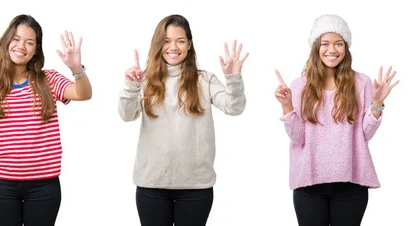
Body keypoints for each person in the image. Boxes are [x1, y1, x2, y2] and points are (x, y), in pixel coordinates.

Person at [118, 14, 248, 226]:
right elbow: (126, 115)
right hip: (152, 185)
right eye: (167, 41)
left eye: (180, 41)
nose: (173, 47)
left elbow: (234, 107)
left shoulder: (205, 80)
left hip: (196, 187)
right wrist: (130, 85)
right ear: (159, 45)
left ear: (189, 44)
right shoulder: (144, 80)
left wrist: (233, 79)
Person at [0, 14, 92, 226]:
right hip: (0, 185)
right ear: (6, 42)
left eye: (29, 42)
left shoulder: (49, 79)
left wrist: (76, 69)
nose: (21, 45)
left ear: (35, 50)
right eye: (16, 38)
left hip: (43, 187)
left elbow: (83, 94)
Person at [274, 14, 400, 226]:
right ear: (316, 47)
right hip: (309, 186)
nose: (332, 50)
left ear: (346, 48)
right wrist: (286, 106)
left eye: (338, 44)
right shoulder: (299, 86)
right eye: (325, 43)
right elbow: (297, 138)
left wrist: (377, 102)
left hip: (350, 185)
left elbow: (365, 134)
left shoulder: (361, 83)